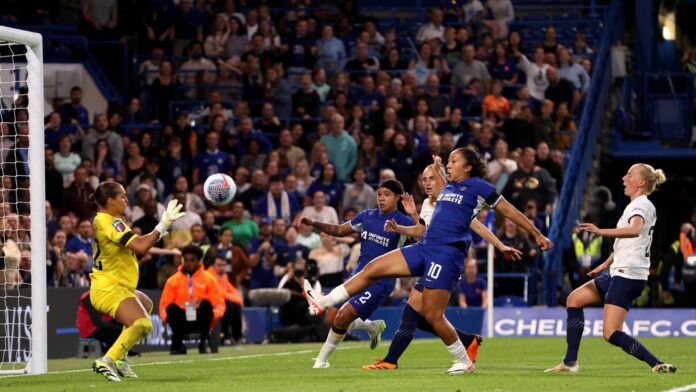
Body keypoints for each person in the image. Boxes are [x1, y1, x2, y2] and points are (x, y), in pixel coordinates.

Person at [304, 148, 552, 374]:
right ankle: (323, 302)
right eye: (448, 161)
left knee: (433, 316)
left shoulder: (479, 188)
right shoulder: (447, 189)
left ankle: (463, 361)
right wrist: (434, 169)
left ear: (468, 167)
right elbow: (424, 224)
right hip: (425, 247)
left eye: (454, 161)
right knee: (373, 268)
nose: (449, 163)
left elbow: (509, 211)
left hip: (447, 254)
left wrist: (536, 234)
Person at [363, 159, 521, 370]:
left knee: (414, 312)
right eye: (423, 180)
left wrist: (501, 246)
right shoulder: (427, 204)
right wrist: (411, 217)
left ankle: (391, 360)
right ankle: (467, 340)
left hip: (446, 261)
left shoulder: (452, 202)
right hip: (430, 260)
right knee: (421, 317)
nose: (427, 183)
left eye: (431, 178)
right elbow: (423, 236)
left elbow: (478, 226)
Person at [545, 163, 676, 374]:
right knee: (574, 299)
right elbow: (629, 242)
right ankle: (570, 363)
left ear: (641, 182)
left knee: (610, 333)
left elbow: (634, 231)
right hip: (618, 272)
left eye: (629, 175)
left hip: (629, 275)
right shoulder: (637, 205)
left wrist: (601, 232)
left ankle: (656, 363)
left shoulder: (640, 206)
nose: (624, 178)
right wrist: (605, 264)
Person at [298, 180, 414, 368]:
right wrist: (314, 223)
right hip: (358, 276)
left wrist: (414, 215)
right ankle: (372, 326)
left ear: (398, 198)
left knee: (343, 317)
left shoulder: (403, 221)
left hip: (380, 281)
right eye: (379, 194)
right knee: (337, 318)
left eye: (387, 194)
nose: (381, 198)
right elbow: (339, 230)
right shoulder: (367, 216)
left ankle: (321, 361)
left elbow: (422, 238)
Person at [89, 182, 185, 381]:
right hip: (109, 288)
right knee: (143, 324)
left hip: (117, 285)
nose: (126, 200)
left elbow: (137, 245)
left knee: (146, 304)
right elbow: (141, 247)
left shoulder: (109, 221)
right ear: (110, 201)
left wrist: (161, 228)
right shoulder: (110, 222)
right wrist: (163, 224)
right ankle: (106, 361)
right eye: (122, 196)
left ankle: (121, 360)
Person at [160, 245, 226, 355]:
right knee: (171, 309)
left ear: (198, 261)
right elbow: (164, 306)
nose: (188, 263)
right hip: (181, 319)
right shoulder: (172, 281)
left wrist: (212, 315)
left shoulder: (209, 279)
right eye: (186, 260)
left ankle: (203, 343)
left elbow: (219, 305)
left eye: (192, 260)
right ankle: (178, 345)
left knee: (206, 304)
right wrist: (167, 318)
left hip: (202, 319)